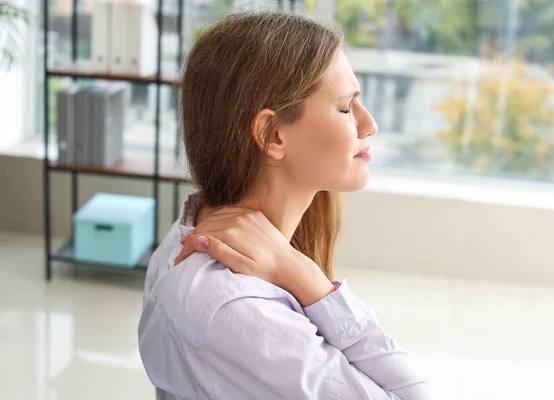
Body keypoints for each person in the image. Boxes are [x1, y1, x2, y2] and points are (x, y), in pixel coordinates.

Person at [138, 11, 431, 400]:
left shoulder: (189, 230)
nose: (369, 124)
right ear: (272, 135)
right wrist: (307, 279)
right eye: (346, 108)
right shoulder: (234, 309)